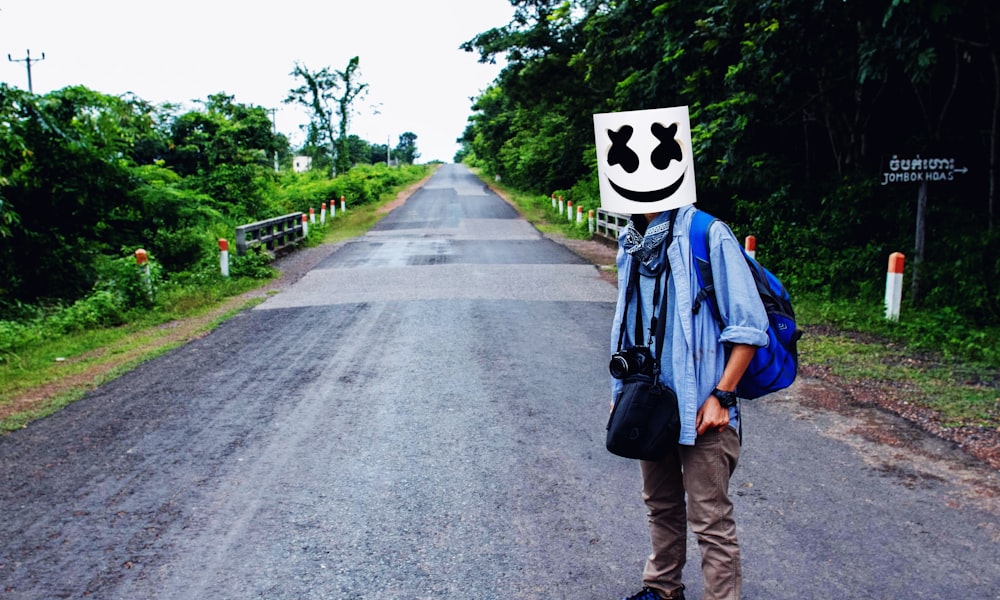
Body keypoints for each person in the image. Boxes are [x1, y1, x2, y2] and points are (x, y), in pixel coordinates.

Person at [612, 203, 769, 600]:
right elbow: (627, 326)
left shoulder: (707, 234)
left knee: (710, 521)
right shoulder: (630, 242)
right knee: (660, 505)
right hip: (648, 405)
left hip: (705, 410)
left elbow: (749, 326)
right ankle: (663, 588)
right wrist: (621, 394)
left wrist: (722, 395)